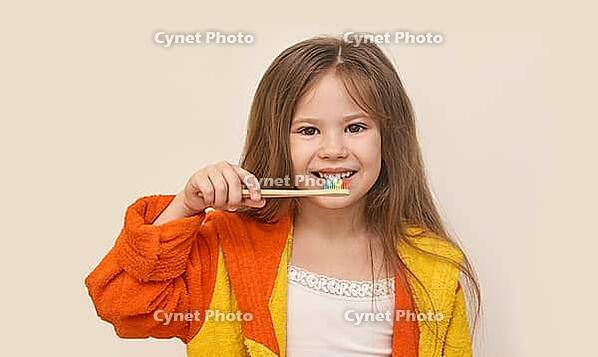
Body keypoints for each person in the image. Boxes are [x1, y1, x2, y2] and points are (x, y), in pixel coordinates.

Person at [85, 34, 480, 357]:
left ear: (389, 139)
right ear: (277, 141)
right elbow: (122, 305)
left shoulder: (434, 267)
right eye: (308, 131)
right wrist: (185, 206)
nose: (333, 149)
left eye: (356, 127)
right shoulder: (227, 247)